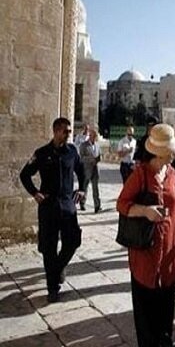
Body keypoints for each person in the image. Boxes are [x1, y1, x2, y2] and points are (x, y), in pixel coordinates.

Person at [116, 124, 175, 347]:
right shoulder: (140, 174)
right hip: (145, 257)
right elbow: (122, 204)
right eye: (172, 150)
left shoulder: (172, 175)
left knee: (165, 316)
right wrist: (145, 211)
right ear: (161, 152)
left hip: (169, 256)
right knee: (146, 320)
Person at [20, 117, 86, 303]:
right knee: (49, 249)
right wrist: (34, 193)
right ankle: (52, 288)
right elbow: (25, 175)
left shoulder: (72, 152)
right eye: (66, 131)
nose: (68, 134)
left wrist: (81, 188)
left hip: (67, 207)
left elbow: (81, 171)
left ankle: (58, 269)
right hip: (48, 208)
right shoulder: (41, 153)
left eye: (69, 131)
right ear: (56, 131)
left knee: (73, 241)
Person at [79, 128, 102, 213]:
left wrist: (99, 158)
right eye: (94, 136)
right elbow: (81, 158)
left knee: (95, 188)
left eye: (96, 136)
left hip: (95, 169)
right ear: (90, 136)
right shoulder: (84, 145)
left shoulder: (97, 145)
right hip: (87, 169)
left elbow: (99, 154)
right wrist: (90, 159)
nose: (95, 138)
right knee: (84, 187)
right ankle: (82, 203)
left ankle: (97, 205)